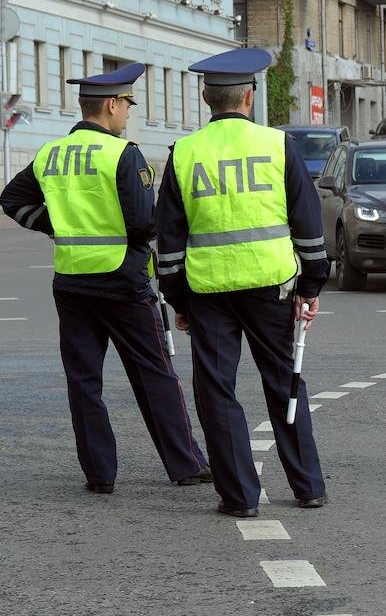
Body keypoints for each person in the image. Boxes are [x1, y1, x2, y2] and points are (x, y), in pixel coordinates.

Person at [0, 63, 211, 494]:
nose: (129, 114)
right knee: (154, 373)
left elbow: (11, 199)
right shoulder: (123, 153)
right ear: (112, 105)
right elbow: (141, 222)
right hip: (123, 281)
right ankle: (185, 464)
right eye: (127, 105)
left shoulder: (50, 153)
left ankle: (99, 474)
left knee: (83, 380)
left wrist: (55, 227)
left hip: (72, 280)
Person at [155, 48, 329, 518]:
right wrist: (311, 287)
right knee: (284, 381)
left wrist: (177, 299)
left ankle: (239, 498)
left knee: (217, 392)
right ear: (250, 97)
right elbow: (308, 227)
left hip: (209, 293)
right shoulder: (278, 146)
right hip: (272, 285)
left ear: (205, 97)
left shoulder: (184, 153)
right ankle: (309, 486)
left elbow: (169, 240)